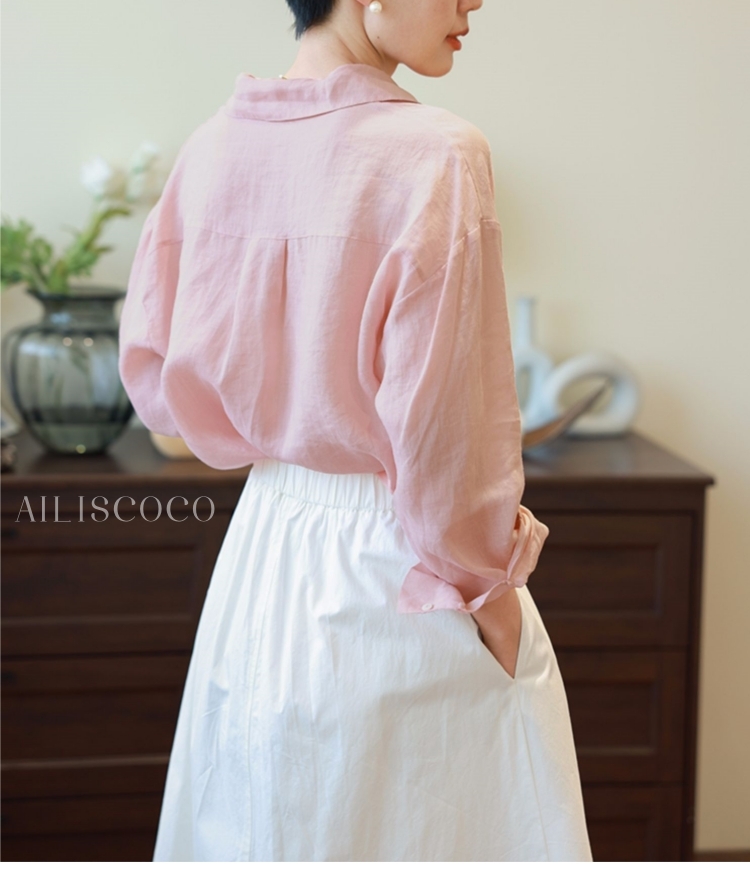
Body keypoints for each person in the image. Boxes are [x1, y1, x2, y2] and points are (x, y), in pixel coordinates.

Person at [118, 0, 593, 862]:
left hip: (261, 554)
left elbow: (155, 377)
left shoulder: (212, 148)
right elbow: (449, 438)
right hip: (401, 565)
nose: (474, 2)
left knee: (260, 828)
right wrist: (491, 597)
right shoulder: (439, 156)